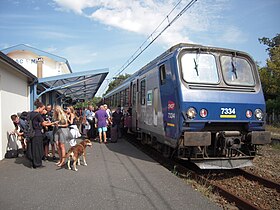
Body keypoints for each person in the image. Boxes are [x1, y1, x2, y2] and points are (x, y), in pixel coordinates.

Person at [27, 99, 53, 168]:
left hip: (31, 134)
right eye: (43, 108)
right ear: (39, 108)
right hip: (37, 133)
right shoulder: (38, 115)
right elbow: (44, 124)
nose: (44, 110)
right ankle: (37, 164)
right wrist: (53, 123)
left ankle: (32, 163)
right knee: (38, 149)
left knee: (33, 148)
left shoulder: (30, 113)